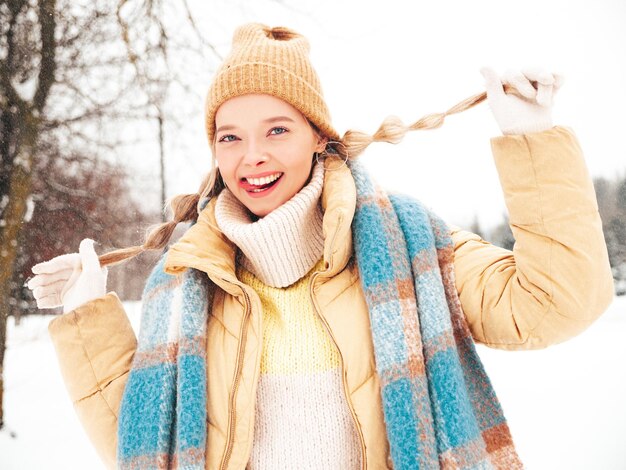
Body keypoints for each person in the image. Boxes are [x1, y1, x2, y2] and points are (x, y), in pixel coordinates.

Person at [27, 23, 613, 470]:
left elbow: (556, 303)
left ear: (318, 137)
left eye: (276, 130)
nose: (251, 156)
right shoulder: (185, 283)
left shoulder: (414, 249)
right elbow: (141, 442)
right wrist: (86, 316)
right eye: (230, 137)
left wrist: (534, 141)